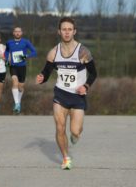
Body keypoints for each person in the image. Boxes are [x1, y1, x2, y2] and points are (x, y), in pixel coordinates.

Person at [36, 17, 97, 170]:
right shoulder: (53, 52)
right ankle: (65, 158)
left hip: (78, 96)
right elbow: (46, 72)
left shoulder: (83, 51)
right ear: (59, 32)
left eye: (70, 29)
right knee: (59, 127)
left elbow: (94, 73)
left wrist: (86, 86)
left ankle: (75, 136)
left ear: (74, 31)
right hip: (61, 94)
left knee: (75, 132)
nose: (67, 32)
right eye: (64, 29)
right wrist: (41, 78)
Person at [5, 26, 37, 114]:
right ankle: (17, 104)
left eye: (19, 31)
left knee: (20, 87)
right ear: (13, 33)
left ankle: (18, 102)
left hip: (22, 67)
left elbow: (34, 52)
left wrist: (26, 56)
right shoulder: (9, 42)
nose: (17, 33)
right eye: (16, 31)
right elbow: (6, 52)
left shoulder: (26, 42)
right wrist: (7, 60)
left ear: (21, 33)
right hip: (13, 66)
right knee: (14, 82)